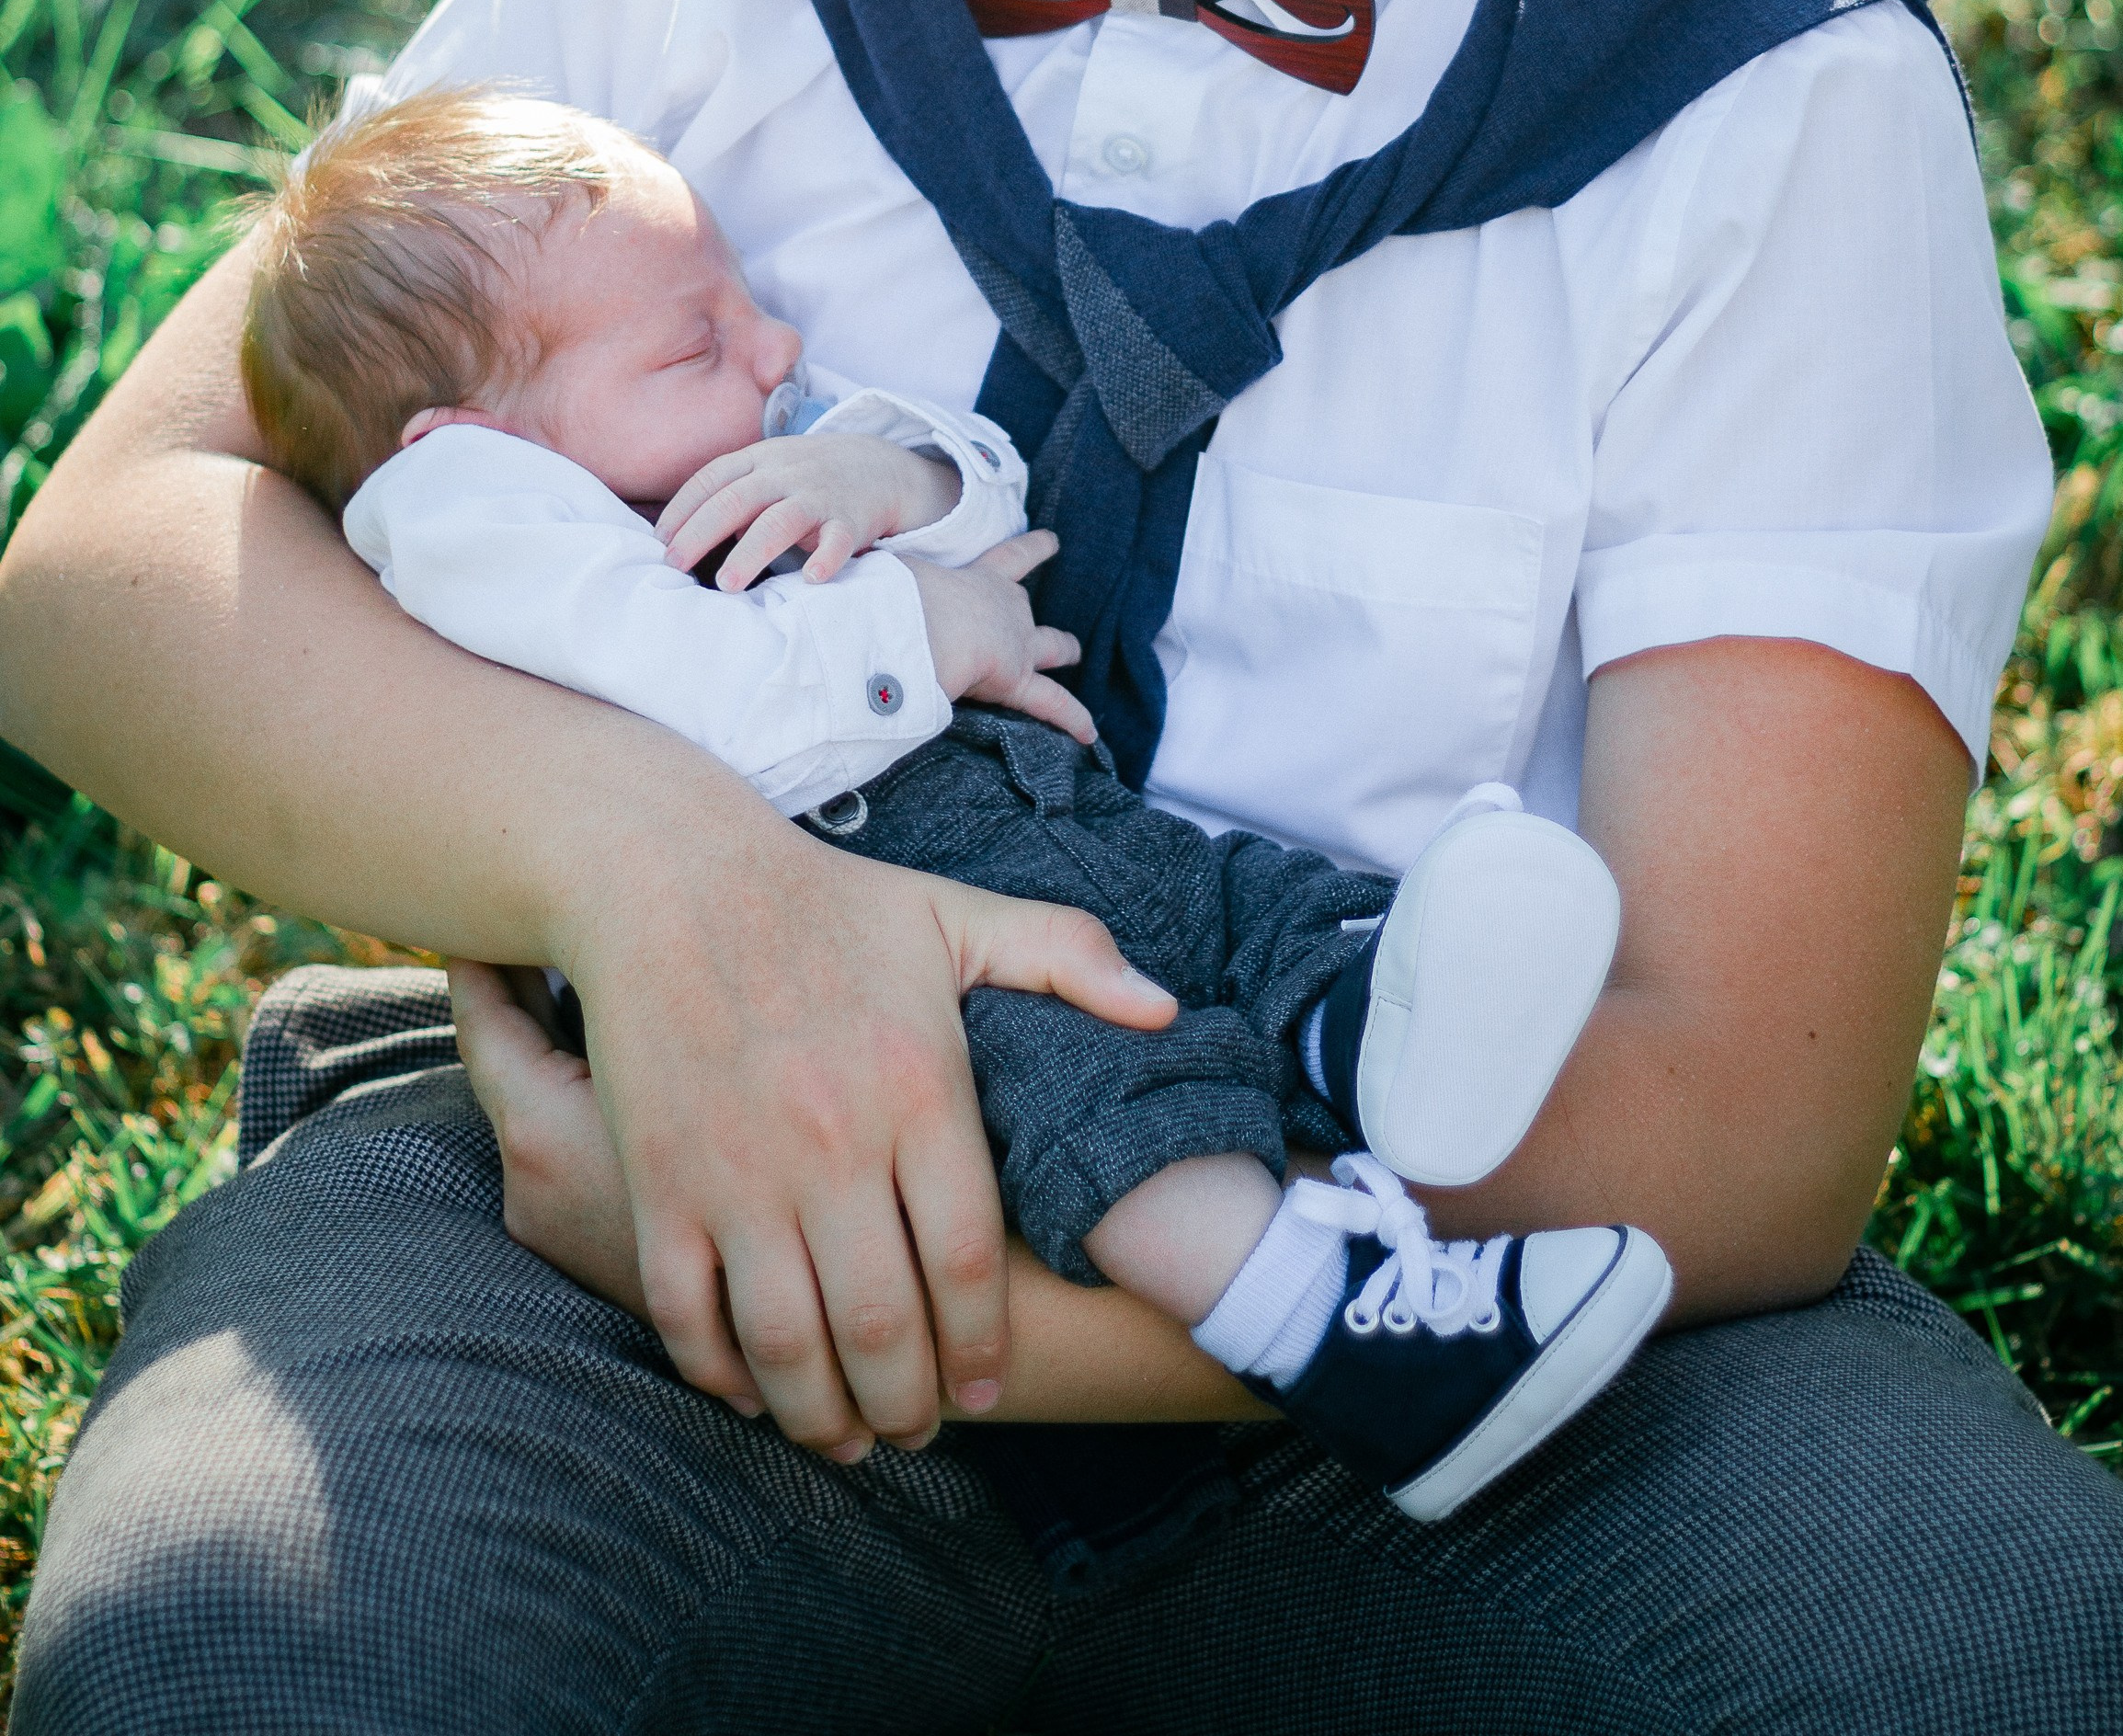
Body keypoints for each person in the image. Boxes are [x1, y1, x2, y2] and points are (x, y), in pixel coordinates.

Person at [2, 0, 2114, 1734]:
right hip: (609, 1170)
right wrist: (678, 891)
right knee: (258, 1659)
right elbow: (110, 569)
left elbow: (1738, 1116)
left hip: (1471, 1289)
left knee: (1983, 1662)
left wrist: (947, 1301)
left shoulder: (1753, 83)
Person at [240, 80, 1660, 1525]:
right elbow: (705, 695)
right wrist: (920, 631)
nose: (774, 346)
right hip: (839, 946)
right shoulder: (479, 535)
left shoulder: (718, 445)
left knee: (1233, 900)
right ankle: (1333, 1329)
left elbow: (999, 513)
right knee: (1080, 1075)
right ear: (472, 444)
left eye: (742, 302)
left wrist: (891, 474)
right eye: (697, 341)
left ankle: (1363, 1026)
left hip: (1024, 819)